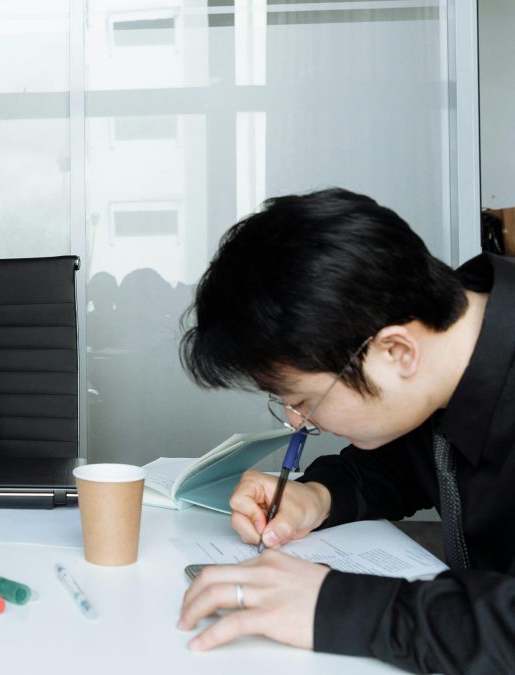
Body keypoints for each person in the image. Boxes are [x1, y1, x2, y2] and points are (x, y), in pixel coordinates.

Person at [175, 187, 515, 673]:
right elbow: (414, 459)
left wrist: (331, 605)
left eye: (304, 401)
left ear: (397, 352)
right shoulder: (452, 335)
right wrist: (317, 496)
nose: (297, 422)